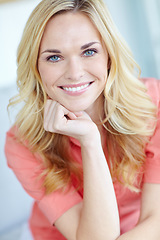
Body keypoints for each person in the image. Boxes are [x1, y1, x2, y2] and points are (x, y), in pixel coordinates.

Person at [5, 0, 160, 239]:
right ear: (36, 67)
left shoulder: (154, 104)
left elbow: (155, 220)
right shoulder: (23, 141)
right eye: (54, 57)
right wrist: (90, 141)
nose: (75, 72)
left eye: (89, 51)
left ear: (109, 55)